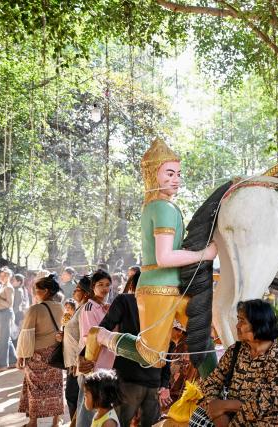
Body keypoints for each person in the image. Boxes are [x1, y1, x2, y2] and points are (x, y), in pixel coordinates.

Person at [87, 138, 218, 372]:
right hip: (158, 289)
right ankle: (102, 336)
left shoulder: (163, 207)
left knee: (204, 334)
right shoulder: (162, 208)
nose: (176, 180)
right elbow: (164, 258)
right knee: (150, 355)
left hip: (177, 287)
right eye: (169, 174)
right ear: (153, 175)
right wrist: (204, 254)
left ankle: (216, 390)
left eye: (178, 174)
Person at [198, 299, 278, 426]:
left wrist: (224, 406)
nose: (237, 325)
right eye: (238, 319)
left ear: (258, 324)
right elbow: (212, 382)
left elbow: (270, 403)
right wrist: (218, 414)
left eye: (242, 321)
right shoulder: (235, 350)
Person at [98, 269, 171, 427]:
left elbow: (104, 328)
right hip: (154, 380)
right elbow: (169, 346)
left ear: (133, 284)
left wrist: (87, 354)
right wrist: (165, 382)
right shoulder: (164, 306)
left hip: (128, 380)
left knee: (120, 423)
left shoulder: (125, 300)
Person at [15, 274, 64, 427]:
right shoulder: (60, 306)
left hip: (37, 355)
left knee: (34, 389)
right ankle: (56, 422)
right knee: (56, 388)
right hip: (55, 354)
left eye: (36, 290)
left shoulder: (35, 309)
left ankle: (33, 422)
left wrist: (20, 357)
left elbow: (26, 335)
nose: (34, 293)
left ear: (46, 291)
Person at [77, 269, 116, 427]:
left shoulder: (106, 308)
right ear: (93, 286)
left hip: (106, 365)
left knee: (99, 410)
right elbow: (89, 337)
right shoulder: (89, 308)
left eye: (107, 285)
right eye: (100, 284)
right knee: (88, 410)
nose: (104, 288)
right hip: (93, 365)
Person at [63, 275, 92, 422]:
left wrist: (77, 361)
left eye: (77, 289)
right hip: (73, 361)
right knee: (73, 396)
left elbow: (85, 337)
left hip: (77, 362)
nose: (74, 292)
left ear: (86, 292)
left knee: (73, 396)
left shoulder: (85, 309)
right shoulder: (80, 308)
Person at [166, 320, 199, 406]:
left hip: (177, 395)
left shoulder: (184, 346)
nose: (168, 331)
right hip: (180, 392)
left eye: (170, 329)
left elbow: (175, 372)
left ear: (179, 331)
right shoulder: (183, 345)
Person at [0, 266, 17, 371]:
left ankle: (2, 365)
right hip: (1, 313)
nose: (2, 276)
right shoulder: (2, 286)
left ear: (9, 276)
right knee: (5, 339)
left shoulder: (9, 287)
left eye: (5, 275)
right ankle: (14, 361)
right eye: (1, 274)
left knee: (2, 340)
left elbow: (9, 304)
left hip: (5, 314)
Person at [11, 273, 30, 342]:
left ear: (19, 282)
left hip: (16, 314)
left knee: (15, 333)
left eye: (14, 280)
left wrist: (12, 315)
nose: (12, 281)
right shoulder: (17, 289)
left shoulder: (18, 291)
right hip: (17, 313)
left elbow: (16, 305)